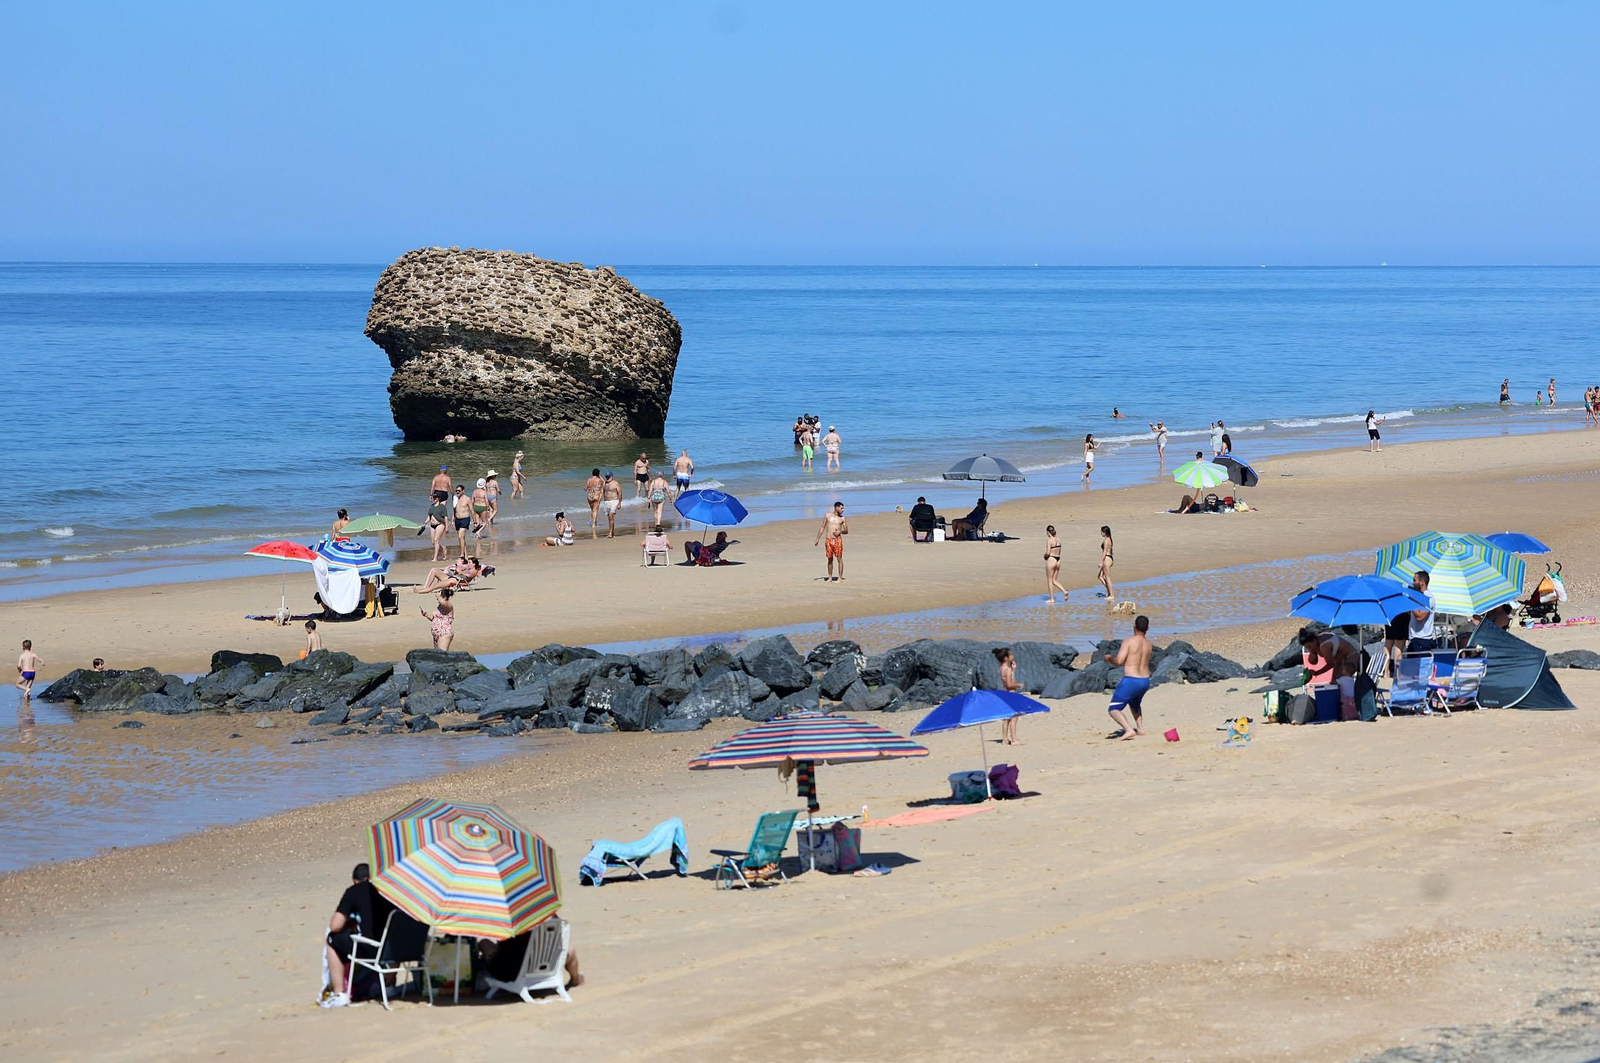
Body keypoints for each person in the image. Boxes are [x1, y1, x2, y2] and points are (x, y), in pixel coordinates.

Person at [321, 862, 394, 1009]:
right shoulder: (392, 890)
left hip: (373, 950)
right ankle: (389, 985)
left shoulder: (355, 891)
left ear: (356, 881)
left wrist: (349, 923)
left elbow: (335, 926)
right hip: (400, 949)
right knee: (393, 936)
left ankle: (339, 994)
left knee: (332, 939)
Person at [479, 926, 583, 995]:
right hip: (545, 966)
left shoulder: (511, 923)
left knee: (484, 942)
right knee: (570, 949)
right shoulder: (550, 919)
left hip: (510, 972)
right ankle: (575, 978)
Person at [1105, 616, 1152, 740]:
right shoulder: (1148, 644)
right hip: (1145, 680)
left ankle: (1128, 729)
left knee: (1113, 709)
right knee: (1134, 703)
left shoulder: (1129, 641)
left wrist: (1109, 658)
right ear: (1147, 628)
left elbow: (1119, 661)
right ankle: (1140, 728)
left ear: (1134, 626)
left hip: (1132, 680)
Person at [1299, 626, 1359, 713]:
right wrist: (1312, 653)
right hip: (1340, 662)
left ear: (1314, 640)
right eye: (1307, 647)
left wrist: (1316, 673)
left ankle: (1350, 705)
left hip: (1350, 657)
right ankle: (1340, 707)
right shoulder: (1318, 642)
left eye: (1309, 646)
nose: (1309, 649)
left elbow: (1330, 664)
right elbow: (1315, 661)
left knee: (1343, 678)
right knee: (1334, 683)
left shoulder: (1324, 645)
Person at [995, 648, 1023, 744]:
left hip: (1005, 694)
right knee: (1014, 717)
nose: (1013, 656)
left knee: (1006, 718)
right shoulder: (1007, 669)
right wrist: (1019, 685)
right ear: (1006, 658)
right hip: (1011, 694)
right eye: (1011, 655)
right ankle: (1014, 740)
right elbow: (1009, 685)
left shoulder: (1001, 668)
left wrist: (1013, 670)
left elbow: (1007, 680)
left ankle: (1005, 739)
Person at [815, 501, 848, 581]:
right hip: (828, 540)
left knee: (839, 558)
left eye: (843, 508)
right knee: (830, 559)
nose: (843, 510)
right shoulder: (827, 516)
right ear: (836, 508)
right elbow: (822, 527)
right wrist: (818, 538)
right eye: (841, 508)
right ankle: (830, 577)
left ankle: (840, 577)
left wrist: (840, 532)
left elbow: (846, 530)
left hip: (837, 540)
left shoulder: (842, 518)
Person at [1406, 570, 1437, 653]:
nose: (1412, 583)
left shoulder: (1427, 598)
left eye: (1414, 580)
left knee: (1421, 666)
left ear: (1422, 582)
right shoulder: (1419, 596)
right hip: (1414, 639)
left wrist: (1411, 601)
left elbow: (1420, 617)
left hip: (1423, 641)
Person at [1044, 525, 1066, 603]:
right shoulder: (1058, 539)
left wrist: (1045, 556)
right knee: (1054, 580)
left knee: (1050, 580)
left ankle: (1051, 599)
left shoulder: (1049, 540)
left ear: (1047, 532)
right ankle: (1064, 591)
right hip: (1058, 559)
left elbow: (1048, 552)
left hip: (1052, 559)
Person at [426, 492, 449, 562]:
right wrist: (425, 522)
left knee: (436, 540)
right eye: (433, 497)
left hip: (440, 524)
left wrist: (447, 527)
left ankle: (435, 558)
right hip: (432, 525)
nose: (434, 498)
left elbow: (445, 517)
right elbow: (429, 517)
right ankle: (443, 551)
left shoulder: (442, 507)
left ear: (439, 498)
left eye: (435, 497)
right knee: (433, 542)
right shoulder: (432, 506)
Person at [600, 472, 623, 538]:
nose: (607, 478)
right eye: (606, 477)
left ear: (612, 476)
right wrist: (599, 501)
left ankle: (610, 533)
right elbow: (602, 493)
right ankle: (612, 533)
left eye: (608, 477)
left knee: (611, 516)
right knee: (609, 518)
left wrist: (619, 503)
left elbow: (620, 493)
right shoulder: (604, 484)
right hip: (607, 502)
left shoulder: (616, 483)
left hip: (614, 501)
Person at [451, 485, 472, 554]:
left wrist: (475, 521)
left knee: (460, 536)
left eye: (459, 491)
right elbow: (454, 510)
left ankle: (462, 555)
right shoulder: (455, 498)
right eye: (456, 491)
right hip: (457, 519)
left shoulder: (467, 499)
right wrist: (452, 520)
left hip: (465, 519)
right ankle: (465, 555)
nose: (457, 492)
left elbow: (472, 510)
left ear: (463, 491)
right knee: (461, 538)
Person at [1097, 525, 1115, 602]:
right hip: (1110, 558)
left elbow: (1104, 551)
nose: (1101, 533)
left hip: (1107, 558)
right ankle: (1109, 591)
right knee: (1100, 576)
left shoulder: (1106, 540)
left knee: (1107, 578)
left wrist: (1101, 561)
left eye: (1102, 532)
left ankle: (1111, 595)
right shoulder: (1110, 539)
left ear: (1105, 532)